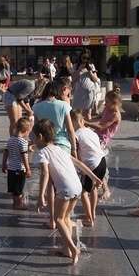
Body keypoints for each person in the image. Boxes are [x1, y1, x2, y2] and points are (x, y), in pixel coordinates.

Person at [33, 119, 103, 264]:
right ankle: (66, 249)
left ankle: (73, 248)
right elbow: (78, 163)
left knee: (58, 219)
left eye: (33, 136)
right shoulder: (59, 149)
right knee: (65, 219)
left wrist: (41, 196)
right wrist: (93, 177)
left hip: (65, 189)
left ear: (40, 137)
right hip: (77, 186)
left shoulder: (43, 153)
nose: (32, 139)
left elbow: (45, 173)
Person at [33, 79, 78, 229]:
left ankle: (52, 220)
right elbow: (70, 130)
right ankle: (65, 217)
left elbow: (36, 130)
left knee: (50, 185)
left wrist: (33, 144)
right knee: (63, 181)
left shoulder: (37, 106)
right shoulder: (64, 105)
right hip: (63, 146)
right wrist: (74, 149)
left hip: (46, 146)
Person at [71, 110, 108, 227]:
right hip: (102, 162)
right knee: (93, 189)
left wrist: (80, 168)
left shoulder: (76, 135)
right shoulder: (91, 132)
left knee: (83, 192)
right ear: (82, 120)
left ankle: (89, 218)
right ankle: (93, 213)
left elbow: (76, 154)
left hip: (92, 165)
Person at [2, 117, 32, 210]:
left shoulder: (10, 139)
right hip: (19, 169)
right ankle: (18, 205)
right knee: (19, 189)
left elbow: (6, 152)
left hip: (11, 168)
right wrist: (28, 169)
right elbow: (24, 156)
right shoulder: (23, 142)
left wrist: (4, 164)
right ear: (26, 130)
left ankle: (15, 203)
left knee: (14, 188)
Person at [72, 53, 99, 120]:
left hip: (89, 92)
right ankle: (80, 125)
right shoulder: (75, 66)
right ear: (80, 58)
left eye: (87, 58)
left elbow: (95, 79)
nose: (85, 60)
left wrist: (90, 72)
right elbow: (73, 79)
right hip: (78, 92)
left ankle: (88, 126)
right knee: (78, 113)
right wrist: (79, 70)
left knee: (88, 113)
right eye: (84, 58)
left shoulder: (91, 66)